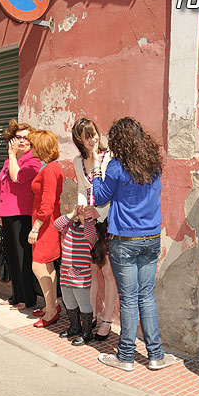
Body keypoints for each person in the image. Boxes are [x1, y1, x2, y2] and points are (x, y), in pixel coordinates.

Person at [93, 117, 175, 372]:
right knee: (146, 296)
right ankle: (156, 355)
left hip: (125, 240)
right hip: (150, 238)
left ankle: (126, 356)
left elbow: (100, 198)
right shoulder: (154, 165)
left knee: (129, 299)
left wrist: (97, 169)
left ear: (119, 142)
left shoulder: (117, 167)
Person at [71, 117, 118, 341]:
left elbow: (114, 190)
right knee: (90, 272)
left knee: (108, 271)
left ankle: (107, 320)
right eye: (87, 136)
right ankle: (88, 316)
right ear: (79, 140)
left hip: (107, 220)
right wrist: (82, 206)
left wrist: (100, 213)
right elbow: (82, 187)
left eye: (94, 133)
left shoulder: (109, 157)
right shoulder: (77, 161)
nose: (93, 139)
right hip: (87, 222)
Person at [0, 120, 41, 310]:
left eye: (25, 138)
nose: (21, 140)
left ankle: (27, 298)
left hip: (22, 214)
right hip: (7, 213)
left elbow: (17, 177)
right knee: (12, 257)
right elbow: (1, 187)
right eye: (18, 137)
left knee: (23, 258)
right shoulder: (9, 160)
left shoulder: (33, 161)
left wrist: (12, 156)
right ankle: (15, 295)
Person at [27, 130, 64, 328]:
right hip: (48, 222)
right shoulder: (52, 167)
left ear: (40, 147)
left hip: (45, 224)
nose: (30, 148)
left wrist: (36, 228)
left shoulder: (50, 169)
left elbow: (47, 204)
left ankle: (51, 311)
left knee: (38, 265)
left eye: (33, 145)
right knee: (48, 266)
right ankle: (52, 305)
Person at [54, 205, 98, 346]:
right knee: (69, 301)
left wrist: (87, 219)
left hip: (80, 275)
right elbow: (57, 224)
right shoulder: (70, 227)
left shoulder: (91, 230)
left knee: (83, 303)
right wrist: (72, 214)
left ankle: (87, 333)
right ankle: (75, 327)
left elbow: (90, 235)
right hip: (66, 272)